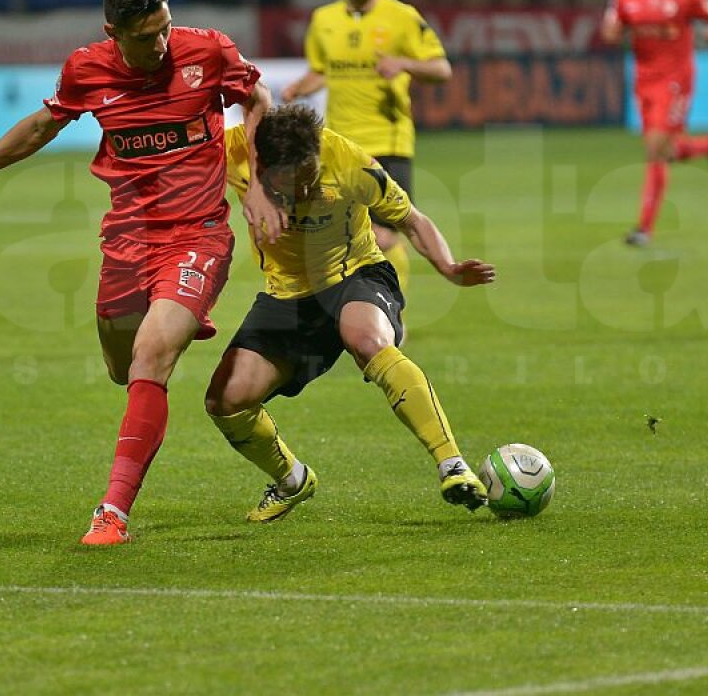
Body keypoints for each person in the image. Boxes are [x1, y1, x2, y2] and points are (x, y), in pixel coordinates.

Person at [0, 0, 282, 546]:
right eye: (146, 36)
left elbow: (258, 98)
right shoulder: (86, 69)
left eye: (165, 28)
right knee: (124, 366)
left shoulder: (206, 51)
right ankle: (284, 469)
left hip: (197, 235)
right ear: (113, 32)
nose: (161, 44)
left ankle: (113, 512)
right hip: (127, 243)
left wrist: (257, 182)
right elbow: (40, 127)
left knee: (151, 356)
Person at [203, 104, 495, 522]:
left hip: (355, 274)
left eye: (310, 179)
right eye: (292, 186)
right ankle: (291, 479)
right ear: (262, 163)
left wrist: (448, 268)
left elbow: (412, 220)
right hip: (288, 297)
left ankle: (453, 465)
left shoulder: (349, 162)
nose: (303, 192)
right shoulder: (231, 152)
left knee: (368, 340)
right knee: (224, 400)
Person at [280, 0, 451, 297]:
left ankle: (393, 316)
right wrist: (298, 88)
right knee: (340, 233)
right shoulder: (323, 20)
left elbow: (441, 69)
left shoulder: (402, 17)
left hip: (388, 140)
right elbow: (322, 70)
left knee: (386, 233)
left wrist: (403, 63)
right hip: (340, 143)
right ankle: (359, 308)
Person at [601, 0, 708, 247]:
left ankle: (644, 229)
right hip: (644, 81)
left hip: (675, 81)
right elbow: (611, 29)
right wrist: (612, 32)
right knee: (666, 151)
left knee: (655, 150)